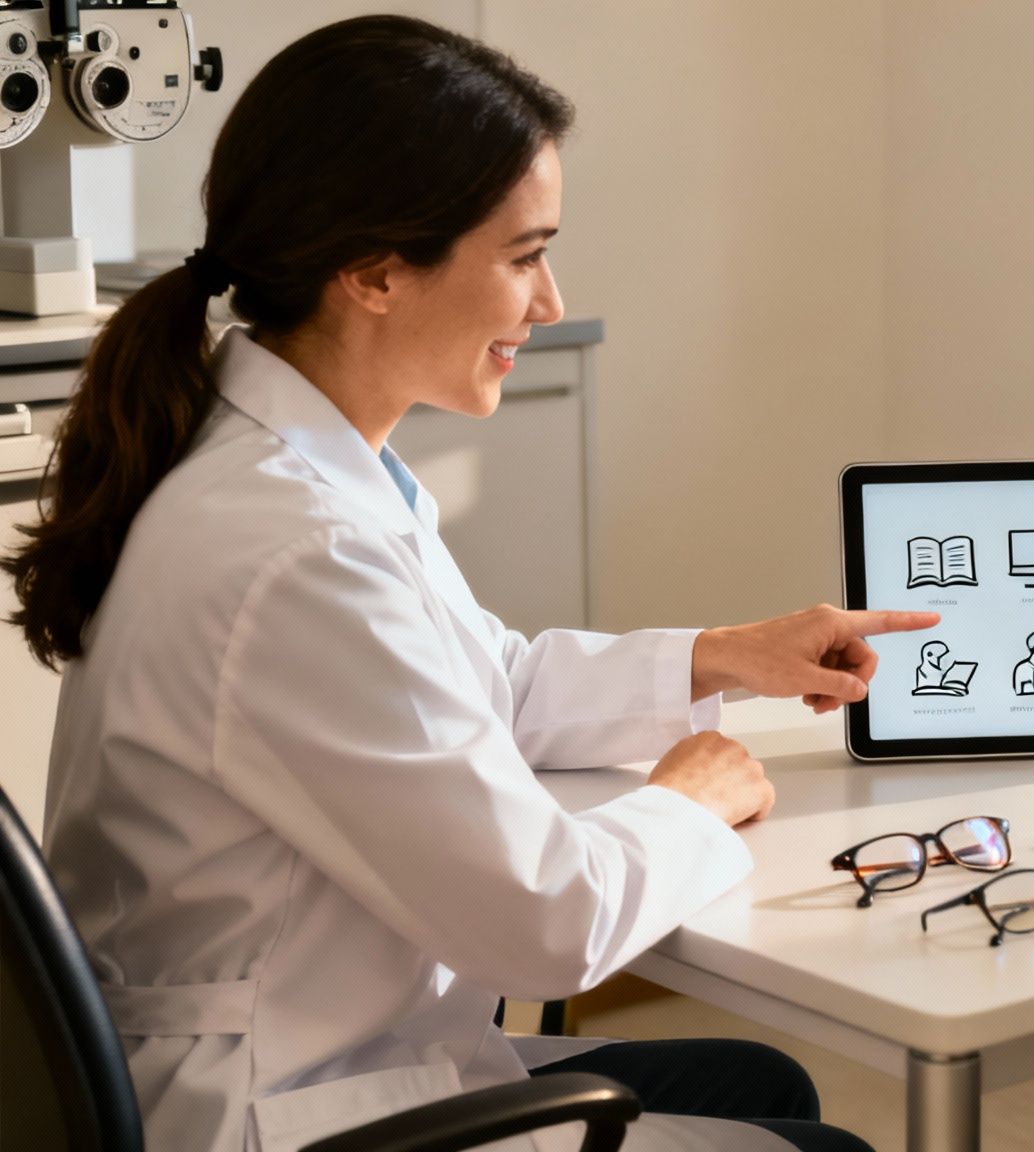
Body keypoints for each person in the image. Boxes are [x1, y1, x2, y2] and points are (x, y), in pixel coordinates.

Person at [3, 17, 933, 1152]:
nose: (547, 303)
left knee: (758, 1082)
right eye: (524, 255)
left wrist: (718, 655)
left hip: (308, 1039)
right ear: (373, 271)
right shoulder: (297, 549)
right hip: (277, 1107)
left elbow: (472, 678)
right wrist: (689, 799)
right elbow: (548, 922)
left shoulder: (273, 455)